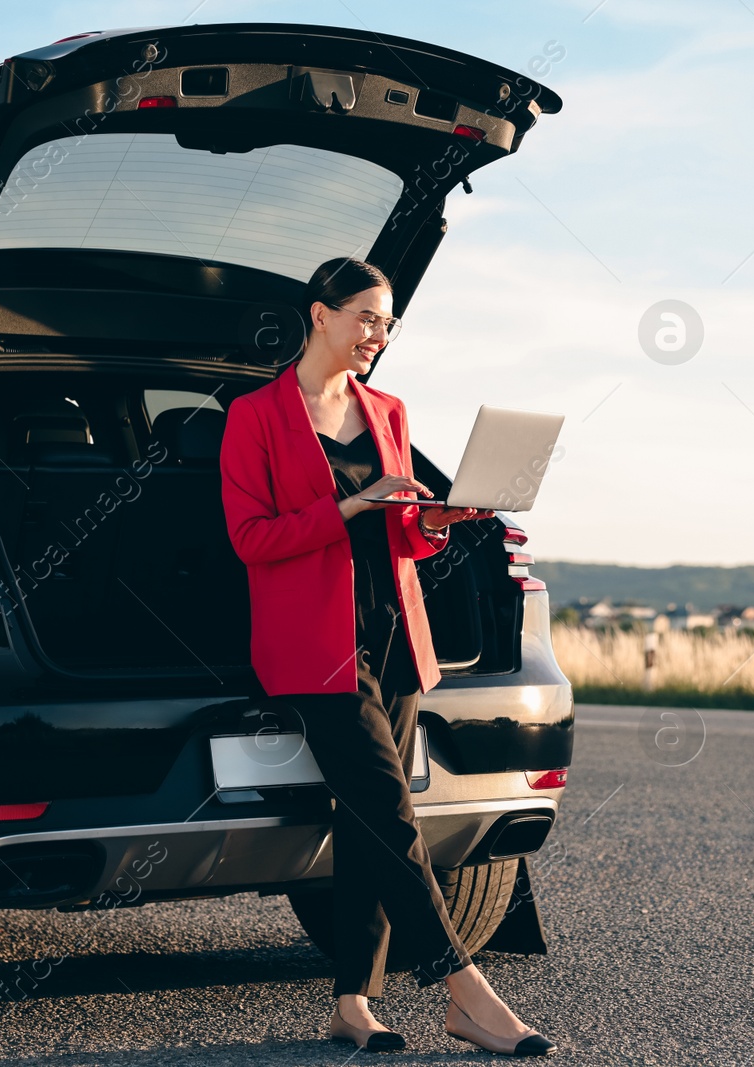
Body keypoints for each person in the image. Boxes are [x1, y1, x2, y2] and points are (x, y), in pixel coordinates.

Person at [219, 257, 556, 1056]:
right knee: (387, 808)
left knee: (366, 817)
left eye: (389, 321)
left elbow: (403, 533)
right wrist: (345, 505)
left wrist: (441, 519)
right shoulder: (256, 416)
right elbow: (251, 539)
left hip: (395, 635)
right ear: (320, 315)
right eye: (368, 317)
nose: (379, 334)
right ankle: (462, 987)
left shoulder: (387, 409)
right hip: (313, 647)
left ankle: (352, 1002)